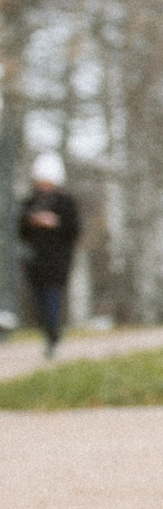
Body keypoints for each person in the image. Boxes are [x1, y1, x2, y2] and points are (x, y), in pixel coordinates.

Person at [16, 152, 81, 360]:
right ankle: (50, 334)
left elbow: (74, 229)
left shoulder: (65, 204)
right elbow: (19, 230)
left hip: (57, 261)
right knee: (39, 303)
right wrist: (32, 221)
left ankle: (53, 337)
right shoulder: (30, 203)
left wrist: (54, 223)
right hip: (35, 262)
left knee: (52, 298)